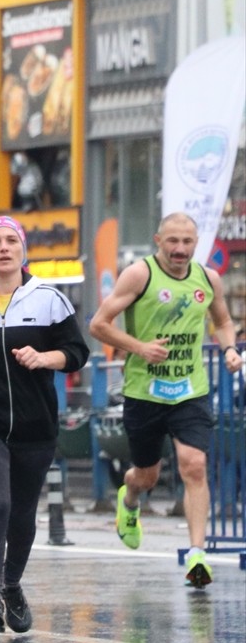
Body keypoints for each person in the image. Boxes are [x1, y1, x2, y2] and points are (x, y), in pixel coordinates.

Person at [0, 215, 90, 633]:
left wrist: (45, 359)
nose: (4, 248)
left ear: (22, 250)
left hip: (35, 422)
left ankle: (11, 586)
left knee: (23, 511)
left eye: (12, 241)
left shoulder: (48, 299)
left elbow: (77, 352)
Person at [89, 212, 243, 587]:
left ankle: (196, 555)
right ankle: (130, 499)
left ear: (195, 243)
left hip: (190, 389)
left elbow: (222, 321)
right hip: (145, 392)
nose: (180, 249)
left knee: (194, 465)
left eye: (187, 242)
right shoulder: (139, 275)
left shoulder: (208, 279)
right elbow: (99, 324)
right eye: (172, 241)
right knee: (148, 475)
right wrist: (139, 347)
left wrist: (228, 349)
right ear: (158, 240)